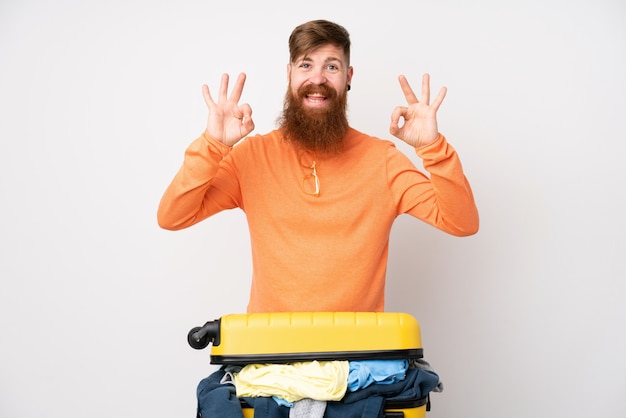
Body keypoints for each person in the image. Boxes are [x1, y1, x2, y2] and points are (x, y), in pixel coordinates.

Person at [157, 19, 479, 314]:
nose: (318, 79)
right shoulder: (253, 157)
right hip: (273, 357)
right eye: (306, 65)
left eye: (332, 67)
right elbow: (173, 216)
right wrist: (213, 145)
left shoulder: (382, 160)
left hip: (357, 359)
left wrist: (432, 148)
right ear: (289, 74)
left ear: (348, 78)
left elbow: (462, 222)